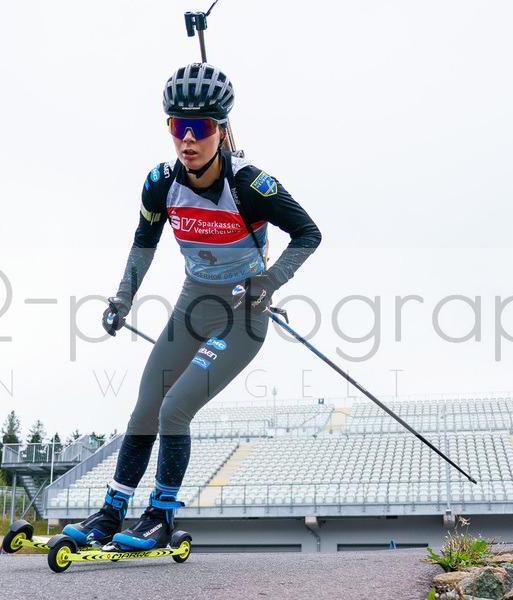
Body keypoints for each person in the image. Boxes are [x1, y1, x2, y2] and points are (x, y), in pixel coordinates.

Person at [64, 63, 321, 550]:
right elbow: (144, 243)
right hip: (191, 307)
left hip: (242, 316)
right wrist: (123, 297)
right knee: (144, 410)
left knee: (175, 409)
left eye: (200, 127)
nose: (187, 139)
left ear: (221, 131)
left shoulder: (252, 185)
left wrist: (271, 279)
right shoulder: (161, 183)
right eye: (176, 126)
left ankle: (160, 516)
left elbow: (309, 234)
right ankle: (112, 513)